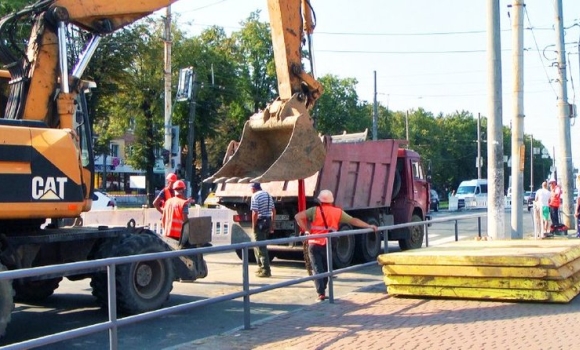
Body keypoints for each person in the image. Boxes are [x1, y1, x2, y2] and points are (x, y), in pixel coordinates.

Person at [294, 189, 378, 302]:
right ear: (331, 201)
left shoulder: (314, 210)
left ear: (320, 201)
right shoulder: (337, 212)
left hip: (314, 243)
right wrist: (369, 226)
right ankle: (323, 290)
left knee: (317, 268)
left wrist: (307, 229)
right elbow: (353, 220)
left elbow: (298, 217)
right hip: (329, 243)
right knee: (327, 267)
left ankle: (321, 293)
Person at [250, 183, 276, 278]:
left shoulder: (255, 196)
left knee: (261, 247)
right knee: (258, 245)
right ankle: (260, 266)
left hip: (259, 223)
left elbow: (255, 212)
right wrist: (272, 224)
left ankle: (266, 269)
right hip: (267, 222)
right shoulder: (267, 195)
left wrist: (253, 225)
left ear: (253, 188)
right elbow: (273, 210)